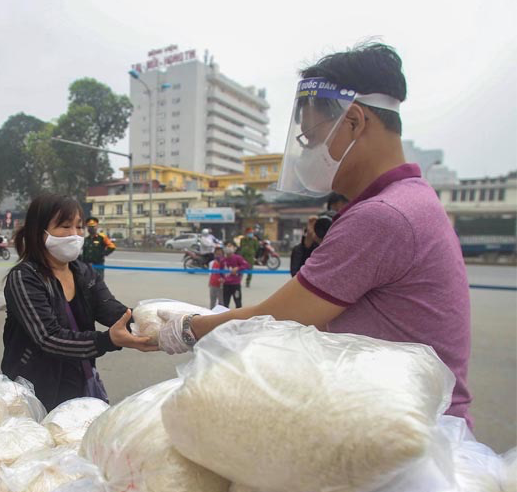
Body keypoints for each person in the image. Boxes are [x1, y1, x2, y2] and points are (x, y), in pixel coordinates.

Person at [157, 43, 475, 427]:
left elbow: (273, 321)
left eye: (311, 137)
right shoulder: (409, 200)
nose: (306, 152)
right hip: (402, 418)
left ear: (355, 121)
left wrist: (183, 330)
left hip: (408, 436)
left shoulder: (382, 216)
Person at [2, 194, 155, 409]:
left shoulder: (84, 272)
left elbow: (111, 310)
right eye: (65, 226)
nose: (74, 235)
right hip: (35, 389)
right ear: (39, 231)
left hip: (78, 380)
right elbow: (48, 337)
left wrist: (155, 322)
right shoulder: (24, 278)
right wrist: (108, 340)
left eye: (79, 227)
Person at [290, 192, 349, 276]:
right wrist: (308, 243)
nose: (337, 217)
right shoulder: (315, 241)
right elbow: (297, 277)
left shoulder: (357, 243)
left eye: (343, 213)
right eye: (333, 211)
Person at [220, 242, 250, 308]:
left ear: (234, 248)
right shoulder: (223, 260)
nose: (228, 248)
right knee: (225, 303)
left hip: (235, 285)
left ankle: (239, 317)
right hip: (226, 285)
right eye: (227, 246)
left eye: (230, 246)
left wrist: (238, 268)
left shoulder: (238, 258)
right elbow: (221, 272)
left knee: (238, 302)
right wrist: (221, 278)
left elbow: (246, 265)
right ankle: (226, 317)